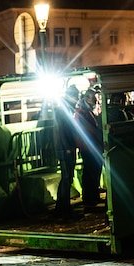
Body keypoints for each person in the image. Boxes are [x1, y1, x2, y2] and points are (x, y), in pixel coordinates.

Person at [75, 87, 104, 210]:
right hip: (88, 146)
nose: (96, 101)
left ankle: (93, 196)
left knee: (94, 171)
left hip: (90, 145)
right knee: (90, 172)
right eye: (94, 99)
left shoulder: (86, 111)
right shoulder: (82, 112)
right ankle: (89, 198)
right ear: (87, 98)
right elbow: (90, 129)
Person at [53, 85, 80, 219]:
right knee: (67, 178)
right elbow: (63, 131)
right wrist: (68, 147)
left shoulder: (63, 109)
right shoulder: (64, 111)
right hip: (66, 149)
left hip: (65, 148)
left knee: (66, 178)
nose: (77, 99)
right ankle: (64, 209)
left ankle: (62, 208)